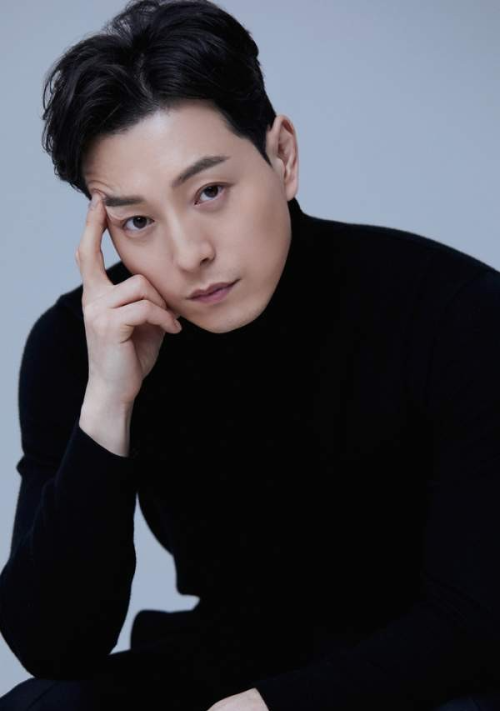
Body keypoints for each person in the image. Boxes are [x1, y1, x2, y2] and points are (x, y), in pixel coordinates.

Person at [1, 0, 500, 709]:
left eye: (209, 192)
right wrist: (108, 402)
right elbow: (55, 646)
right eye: (137, 221)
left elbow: (477, 618)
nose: (188, 253)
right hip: (228, 660)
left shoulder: (456, 312)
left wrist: (274, 706)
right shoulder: (81, 345)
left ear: (282, 156)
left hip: (441, 671)